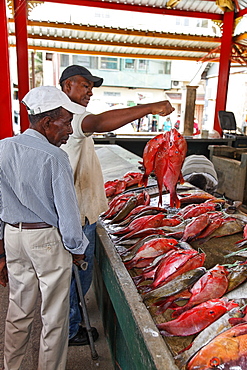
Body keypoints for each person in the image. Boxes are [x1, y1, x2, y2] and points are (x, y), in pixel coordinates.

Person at [59, 64, 175, 346]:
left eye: (91, 87)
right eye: (84, 85)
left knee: (75, 274)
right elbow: (98, 122)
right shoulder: (68, 116)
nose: (89, 91)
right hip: (76, 212)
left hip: (79, 208)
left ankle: (70, 322)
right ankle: (72, 328)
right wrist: (149, 107)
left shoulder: (65, 116)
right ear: (66, 86)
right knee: (77, 274)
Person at [0, 86, 89, 370]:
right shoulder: (55, 157)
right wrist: (77, 249)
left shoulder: (3, 147)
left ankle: (10, 366)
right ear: (47, 122)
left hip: (14, 235)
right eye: (66, 123)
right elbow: (68, 213)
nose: (70, 130)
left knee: (19, 308)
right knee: (54, 315)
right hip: (46, 240)